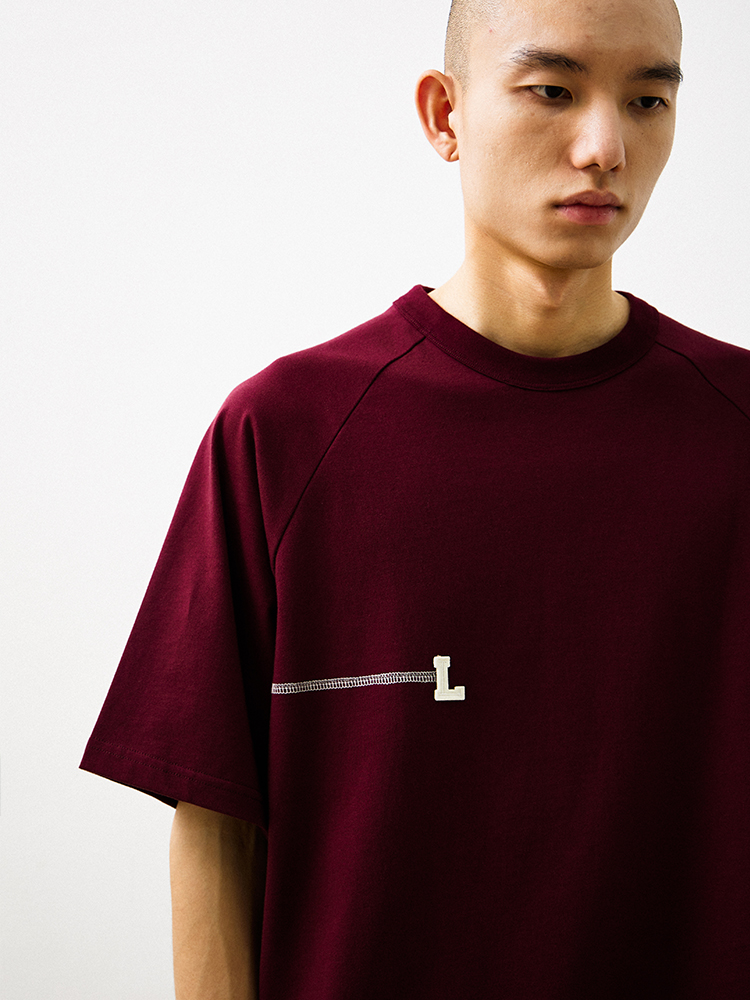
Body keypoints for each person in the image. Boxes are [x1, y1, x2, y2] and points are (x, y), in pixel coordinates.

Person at [81, 0, 750, 996]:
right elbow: (216, 819)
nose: (605, 147)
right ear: (446, 115)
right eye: (553, 90)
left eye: (649, 100)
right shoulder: (285, 431)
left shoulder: (737, 433)